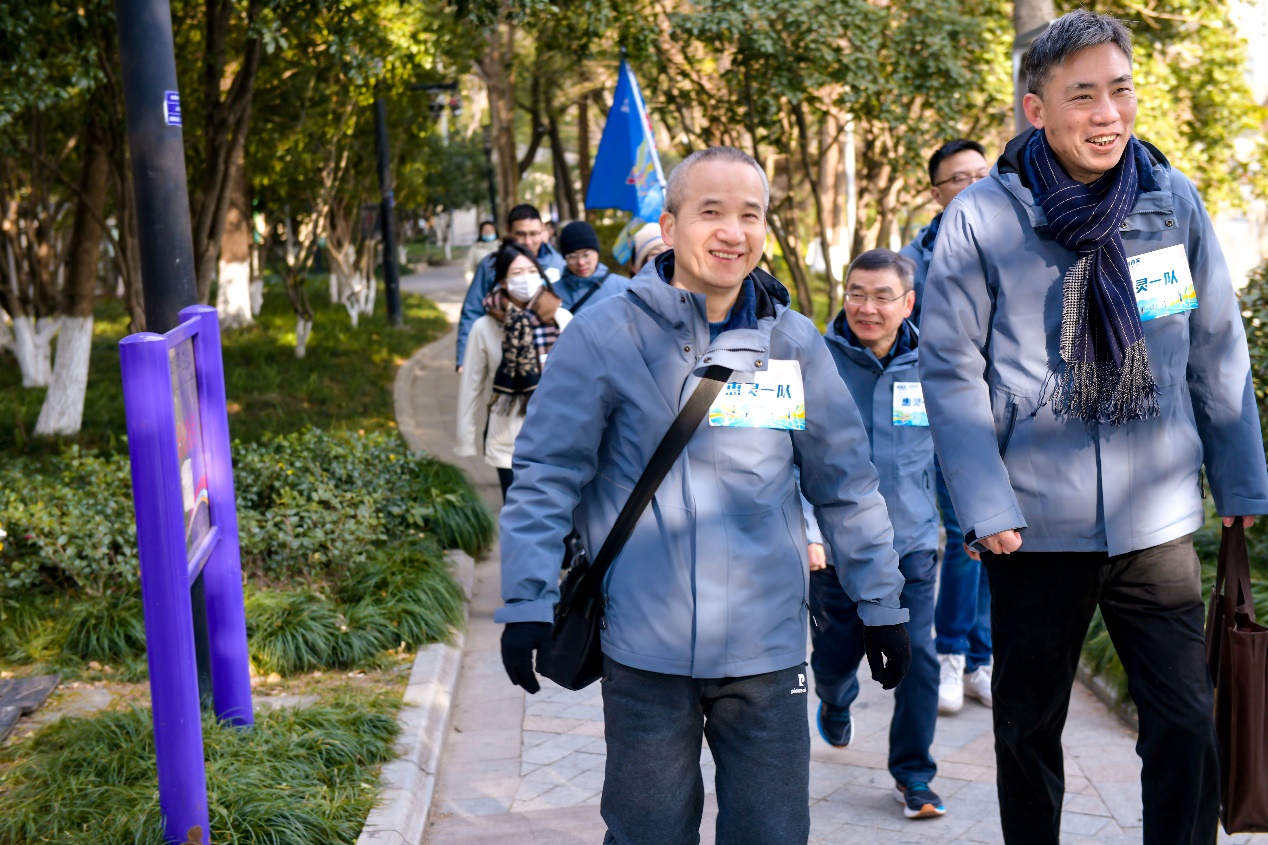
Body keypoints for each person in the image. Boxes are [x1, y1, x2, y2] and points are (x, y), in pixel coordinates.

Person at [919, 12, 1268, 845]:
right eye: (1083, 96)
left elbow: (1215, 346)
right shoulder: (984, 217)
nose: (1107, 113)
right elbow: (951, 370)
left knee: (1185, 719)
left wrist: (1240, 480)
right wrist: (985, 501)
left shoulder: (1169, 200)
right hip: (1033, 523)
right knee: (1028, 725)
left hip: (1155, 517)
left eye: (1120, 90)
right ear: (1036, 109)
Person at [497, 146, 912, 845]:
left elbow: (845, 485)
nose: (732, 232)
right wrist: (525, 601)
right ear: (670, 225)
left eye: (750, 215)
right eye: (711, 211)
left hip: (768, 652)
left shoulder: (792, 343)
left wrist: (881, 604)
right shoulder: (606, 333)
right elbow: (546, 475)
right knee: (647, 834)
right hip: (644, 650)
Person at [800, 249, 945, 820]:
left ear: (908, 303)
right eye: (856, 293)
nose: (867, 307)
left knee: (919, 658)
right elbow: (789, 451)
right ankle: (835, 699)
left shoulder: (935, 365)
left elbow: (957, 453)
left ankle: (915, 776)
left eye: (882, 296)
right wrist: (808, 529)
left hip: (911, 545)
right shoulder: (815, 361)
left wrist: (976, 524)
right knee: (836, 656)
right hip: (836, 549)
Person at [900, 139, 994, 715]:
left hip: (1008, 416)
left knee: (997, 538)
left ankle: (982, 657)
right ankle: (952, 652)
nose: (975, 184)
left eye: (982, 172)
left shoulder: (1015, 241)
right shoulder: (911, 264)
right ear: (937, 193)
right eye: (960, 178)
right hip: (945, 417)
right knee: (966, 535)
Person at [454, 241, 572, 500]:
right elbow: (471, 386)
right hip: (508, 441)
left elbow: (581, 380)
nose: (526, 279)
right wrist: (465, 438)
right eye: (517, 273)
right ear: (503, 282)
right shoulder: (484, 328)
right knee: (519, 512)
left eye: (532, 271)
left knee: (560, 512)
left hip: (559, 435)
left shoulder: (562, 319)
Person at [456, 204, 565, 371]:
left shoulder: (559, 264)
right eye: (520, 234)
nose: (528, 242)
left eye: (534, 234)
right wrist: (463, 358)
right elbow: (472, 310)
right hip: (502, 353)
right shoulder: (491, 265)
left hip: (550, 354)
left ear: (543, 230)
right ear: (508, 231)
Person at [553, 220, 629, 313]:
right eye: (572, 257)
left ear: (597, 253)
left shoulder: (624, 287)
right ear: (564, 258)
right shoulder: (552, 293)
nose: (581, 262)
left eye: (586, 255)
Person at [463, 220, 500, 284]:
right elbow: (469, 268)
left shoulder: (501, 247)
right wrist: (472, 283)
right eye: (486, 230)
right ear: (481, 232)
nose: (488, 232)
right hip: (482, 283)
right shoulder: (475, 249)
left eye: (491, 229)